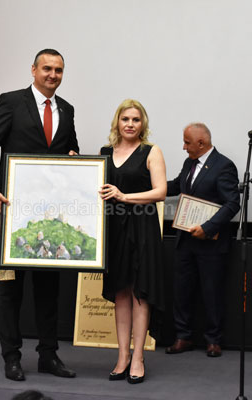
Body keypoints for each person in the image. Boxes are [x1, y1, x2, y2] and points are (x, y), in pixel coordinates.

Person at [0, 48, 79, 381]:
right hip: (15, 212)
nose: (53, 75)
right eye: (47, 68)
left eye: (58, 70)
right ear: (33, 70)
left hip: (51, 215)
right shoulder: (10, 102)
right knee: (11, 291)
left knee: (49, 290)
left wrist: (74, 159)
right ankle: (12, 357)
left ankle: (48, 356)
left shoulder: (66, 109)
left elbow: (71, 151)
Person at [99, 99, 167, 384]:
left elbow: (161, 192)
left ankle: (138, 357)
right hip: (114, 228)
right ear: (117, 122)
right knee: (121, 293)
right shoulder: (104, 152)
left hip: (142, 227)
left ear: (143, 124)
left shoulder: (151, 151)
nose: (130, 124)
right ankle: (122, 356)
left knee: (140, 293)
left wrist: (124, 197)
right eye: (125, 119)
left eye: (135, 120)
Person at [165, 122, 240, 357]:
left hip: (211, 243)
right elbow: (176, 186)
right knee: (182, 291)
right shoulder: (189, 163)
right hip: (185, 240)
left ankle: (213, 340)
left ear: (201, 143)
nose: (183, 147)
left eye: (187, 142)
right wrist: (149, 184)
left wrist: (207, 228)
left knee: (212, 292)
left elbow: (232, 203)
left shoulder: (224, 165)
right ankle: (183, 337)